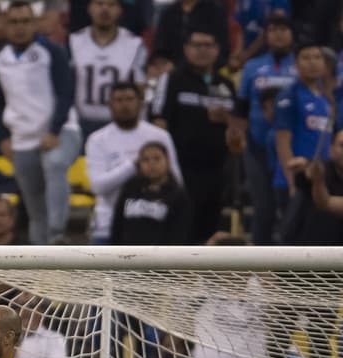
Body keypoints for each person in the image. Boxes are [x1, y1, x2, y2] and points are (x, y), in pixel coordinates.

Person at [0, 1, 81, 245]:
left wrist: (54, 129)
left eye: (25, 21)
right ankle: (39, 264)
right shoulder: (0, 59)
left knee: (55, 163)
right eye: (14, 22)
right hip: (22, 138)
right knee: (35, 209)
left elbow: (66, 93)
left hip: (62, 131)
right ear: (5, 25)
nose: (20, 27)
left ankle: (58, 235)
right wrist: (1, 138)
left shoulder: (52, 51)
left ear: (35, 24)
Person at [149, 29, 235, 244]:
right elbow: (158, 122)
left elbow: (238, 132)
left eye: (208, 45)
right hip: (182, 169)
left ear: (217, 50)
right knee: (182, 226)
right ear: (186, 49)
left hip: (217, 169)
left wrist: (228, 121)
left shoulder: (226, 85)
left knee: (210, 227)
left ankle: (204, 276)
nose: (202, 51)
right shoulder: (171, 80)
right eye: (197, 45)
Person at [85, 82, 183, 245]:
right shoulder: (97, 139)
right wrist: (134, 166)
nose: (125, 105)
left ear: (140, 102)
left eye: (130, 99)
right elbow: (98, 186)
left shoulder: (160, 136)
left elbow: (176, 182)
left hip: (155, 226)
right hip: (107, 225)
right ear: (110, 104)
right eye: (119, 100)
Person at [230, 12, 295, 245]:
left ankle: (290, 270)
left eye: (283, 30)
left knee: (291, 207)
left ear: (292, 34)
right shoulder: (253, 67)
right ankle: (261, 267)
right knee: (263, 209)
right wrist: (236, 136)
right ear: (266, 36)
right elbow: (240, 108)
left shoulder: (301, 64)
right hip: (257, 147)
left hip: (291, 151)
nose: (278, 35)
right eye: (273, 31)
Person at [272, 43, 334, 239]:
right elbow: (282, 141)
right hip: (296, 180)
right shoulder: (289, 96)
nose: (312, 63)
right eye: (306, 58)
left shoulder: (326, 100)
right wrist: (291, 182)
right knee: (291, 237)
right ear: (296, 64)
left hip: (319, 180)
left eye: (317, 57)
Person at [67, 0, 146, 139]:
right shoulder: (74, 41)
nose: (105, 9)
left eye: (111, 5)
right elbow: (66, 86)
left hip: (120, 123)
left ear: (120, 10)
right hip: (81, 123)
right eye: (99, 3)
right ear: (90, 8)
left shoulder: (134, 44)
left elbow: (140, 89)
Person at [110, 141, 194, 245]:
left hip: (161, 257)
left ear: (167, 161)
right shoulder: (130, 188)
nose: (151, 164)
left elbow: (180, 232)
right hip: (126, 255)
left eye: (157, 158)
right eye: (145, 160)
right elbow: (117, 224)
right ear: (139, 163)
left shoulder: (178, 195)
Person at [150, 0, 229, 69]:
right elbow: (160, 49)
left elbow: (222, 48)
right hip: (173, 73)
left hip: (206, 70)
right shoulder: (169, 13)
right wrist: (163, 63)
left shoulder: (214, 10)